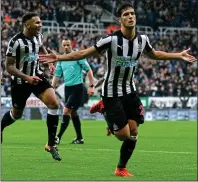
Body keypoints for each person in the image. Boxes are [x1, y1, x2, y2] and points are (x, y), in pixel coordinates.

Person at [39, 3, 196, 176]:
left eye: (132, 13)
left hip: (130, 91)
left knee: (134, 132)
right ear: (120, 19)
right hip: (111, 93)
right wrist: (59, 57)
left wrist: (179, 55)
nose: (130, 16)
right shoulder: (111, 40)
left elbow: (155, 54)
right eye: (126, 14)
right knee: (122, 135)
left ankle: (121, 168)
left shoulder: (142, 40)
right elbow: (84, 53)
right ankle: (104, 107)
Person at [1, 12, 62, 161]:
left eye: (40, 22)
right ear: (27, 24)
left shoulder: (38, 37)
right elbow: (9, 67)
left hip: (38, 76)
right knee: (17, 114)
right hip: (21, 81)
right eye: (37, 23)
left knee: (54, 104)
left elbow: (42, 48)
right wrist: (27, 77)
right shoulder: (15, 42)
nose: (40, 25)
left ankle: (50, 144)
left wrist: (49, 62)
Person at [52, 39, 95, 145]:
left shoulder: (77, 56)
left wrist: (91, 85)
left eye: (68, 45)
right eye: (64, 45)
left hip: (78, 88)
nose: (66, 47)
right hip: (68, 89)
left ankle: (58, 137)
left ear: (71, 45)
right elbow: (57, 75)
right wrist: (51, 88)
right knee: (73, 113)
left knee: (66, 110)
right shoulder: (61, 60)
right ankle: (80, 138)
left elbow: (88, 69)